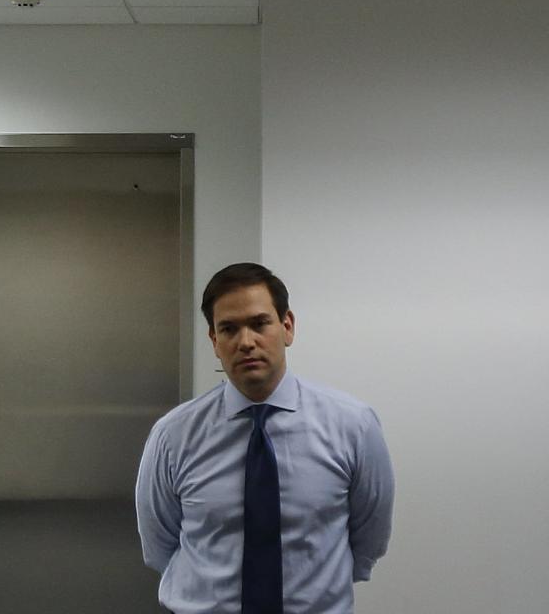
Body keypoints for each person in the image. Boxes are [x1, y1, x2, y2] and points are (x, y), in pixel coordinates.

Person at [135, 262, 396, 614]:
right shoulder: (173, 436)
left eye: (260, 324)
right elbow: (160, 545)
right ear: (214, 340)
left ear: (287, 327)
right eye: (228, 329)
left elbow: (368, 540)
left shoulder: (353, 426)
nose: (246, 342)